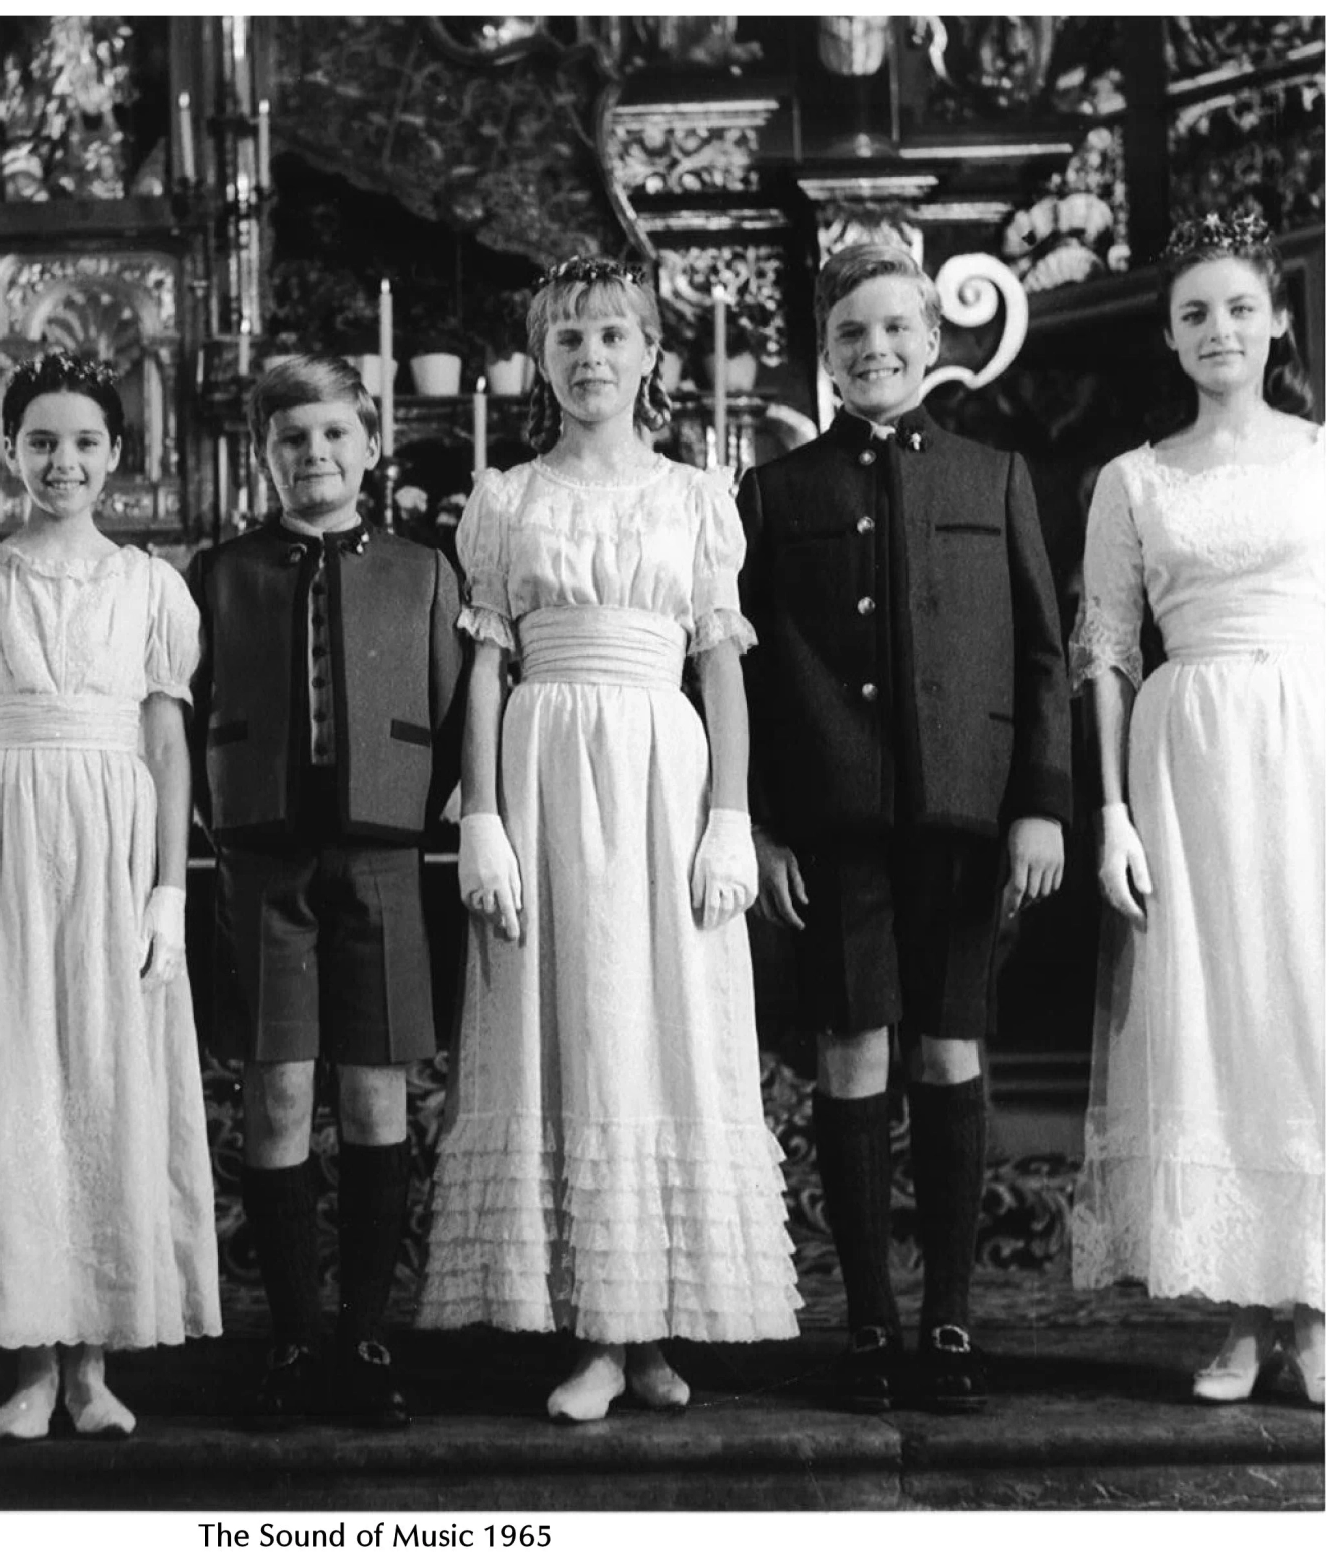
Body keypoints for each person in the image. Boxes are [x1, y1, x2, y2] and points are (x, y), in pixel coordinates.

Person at [418, 257, 800, 1422]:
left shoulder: (696, 498)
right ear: (544, 360)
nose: (593, 356)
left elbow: (722, 669)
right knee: (569, 1021)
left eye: (614, 335)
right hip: (543, 769)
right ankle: (591, 1331)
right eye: (570, 337)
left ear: (652, 358)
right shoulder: (509, 498)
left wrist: (729, 815)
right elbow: (484, 669)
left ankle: (651, 1331)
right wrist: (481, 817)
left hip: (661, 771)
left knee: (660, 1028)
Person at [736, 243, 1072, 1413]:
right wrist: (763, 827)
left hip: (968, 819)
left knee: (948, 1048)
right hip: (833, 825)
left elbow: (1042, 653)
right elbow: (751, 675)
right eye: (850, 337)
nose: (874, 351)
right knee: (852, 1049)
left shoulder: (995, 477)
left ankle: (952, 1320)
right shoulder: (779, 493)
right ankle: (872, 1321)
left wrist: (1038, 801)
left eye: (894, 331)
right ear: (825, 358)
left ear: (934, 345)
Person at [0, 352, 220, 1440]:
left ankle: (93, 1365)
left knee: (105, 1082)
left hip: (112, 842)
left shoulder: (151, 587)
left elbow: (168, 743)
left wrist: (166, 893)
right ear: (7, 451)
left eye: (86, 442)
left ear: (118, 456)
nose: (63, 462)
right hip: (2, 843)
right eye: (41, 441)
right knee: (20, 1085)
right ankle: (32, 1362)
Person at [1069, 211, 1323, 1407]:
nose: (1217, 330)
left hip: (1309, 750)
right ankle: (1235, 1311)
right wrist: (1111, 811)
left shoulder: (1328, 460)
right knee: (1210, 1017)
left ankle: (1315, 1305)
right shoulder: (1131, 480)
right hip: (1182, 767)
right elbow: (1107, 654)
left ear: (1277, 320)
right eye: (1193, 314)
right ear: (1170, 339)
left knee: (1308, 1014)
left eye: (1236, 308)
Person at [185, 353, 465, 1428]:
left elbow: (449, 710)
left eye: (335, 436)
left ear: (371, 443)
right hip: (262, 854)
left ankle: (367, 1336)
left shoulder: (422, 570)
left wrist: (421, 800)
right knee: (281, 1089)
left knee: (373, 1091)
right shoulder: (221, 571)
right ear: (264, 454)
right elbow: (192, 700)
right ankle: (294, 1339)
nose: (315, 456)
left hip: (383, 853)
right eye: (292, 440)